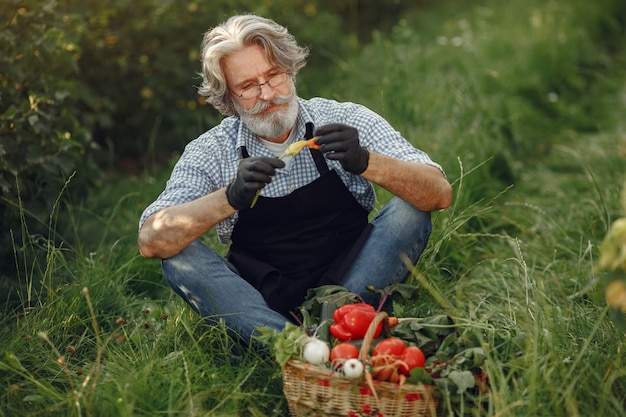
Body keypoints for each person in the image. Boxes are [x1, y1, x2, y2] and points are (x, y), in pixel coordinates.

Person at [138, 14, 452, 341]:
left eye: (274, 75)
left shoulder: (343, 117)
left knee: (410, 209)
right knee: (178, 258)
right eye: (247, 86)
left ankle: (339, 326)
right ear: (228, 98)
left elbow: (439, 192)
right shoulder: (212, 151)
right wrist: (228, 198)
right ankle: (289, 344)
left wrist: (365, 161)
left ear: (291, 70)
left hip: (352, 284)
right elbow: (151, 239)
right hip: (263, 302)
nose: (267, 93)